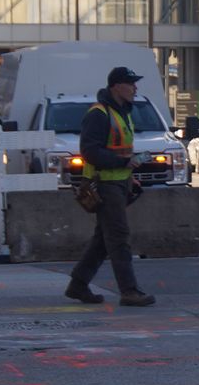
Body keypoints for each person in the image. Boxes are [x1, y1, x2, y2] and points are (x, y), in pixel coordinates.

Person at [66, 66, 156, 307]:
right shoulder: (99, 114)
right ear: (116, 86)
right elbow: (90, 152)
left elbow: (118, 149)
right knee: (118, 237)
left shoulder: (122, 112)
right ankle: (129, 291)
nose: (135, 87)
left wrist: (128, 174)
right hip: (104, 184)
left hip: (117, 182)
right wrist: (123, 163)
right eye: (130, 83)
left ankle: (78, 285)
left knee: (104, 240)